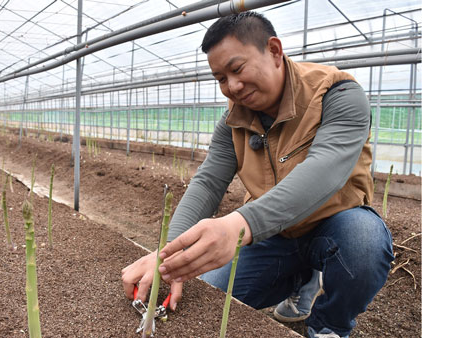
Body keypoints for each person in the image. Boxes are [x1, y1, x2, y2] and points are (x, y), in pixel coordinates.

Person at [121, 11, 394, 338]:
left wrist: (237, 225)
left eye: (237, 69)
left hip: (333, 226)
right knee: (208, 295)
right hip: (272, 237)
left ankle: (329, 326)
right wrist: (167, 255)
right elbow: (208, 184)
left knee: (365, 240)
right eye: (220, 78)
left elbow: (326, 169)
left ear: (275, 51)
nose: (232, 86)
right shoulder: (231, 124)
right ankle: (302, 281)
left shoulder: (337, 94)